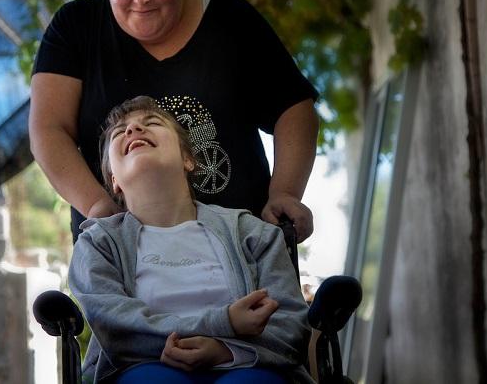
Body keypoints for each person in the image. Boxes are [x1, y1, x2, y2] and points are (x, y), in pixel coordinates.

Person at [29, 0, 319, 242]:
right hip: (125, 251)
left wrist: (284, 193)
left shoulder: (230, 18)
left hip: (243, 245)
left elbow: (294, 109)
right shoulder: (74, 27)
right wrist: (98, 207)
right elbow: (48, 129)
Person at [69, 96, 313, 383]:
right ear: (113, 180)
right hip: (145, 369)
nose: (133, 129)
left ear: (188, 159)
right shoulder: (98, 244)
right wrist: (226, 323)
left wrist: (226, 351)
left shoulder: (252, 233)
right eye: (120, 132)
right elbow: (115, 328)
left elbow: (291, 327)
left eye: (152, 123)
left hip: (246, 367)